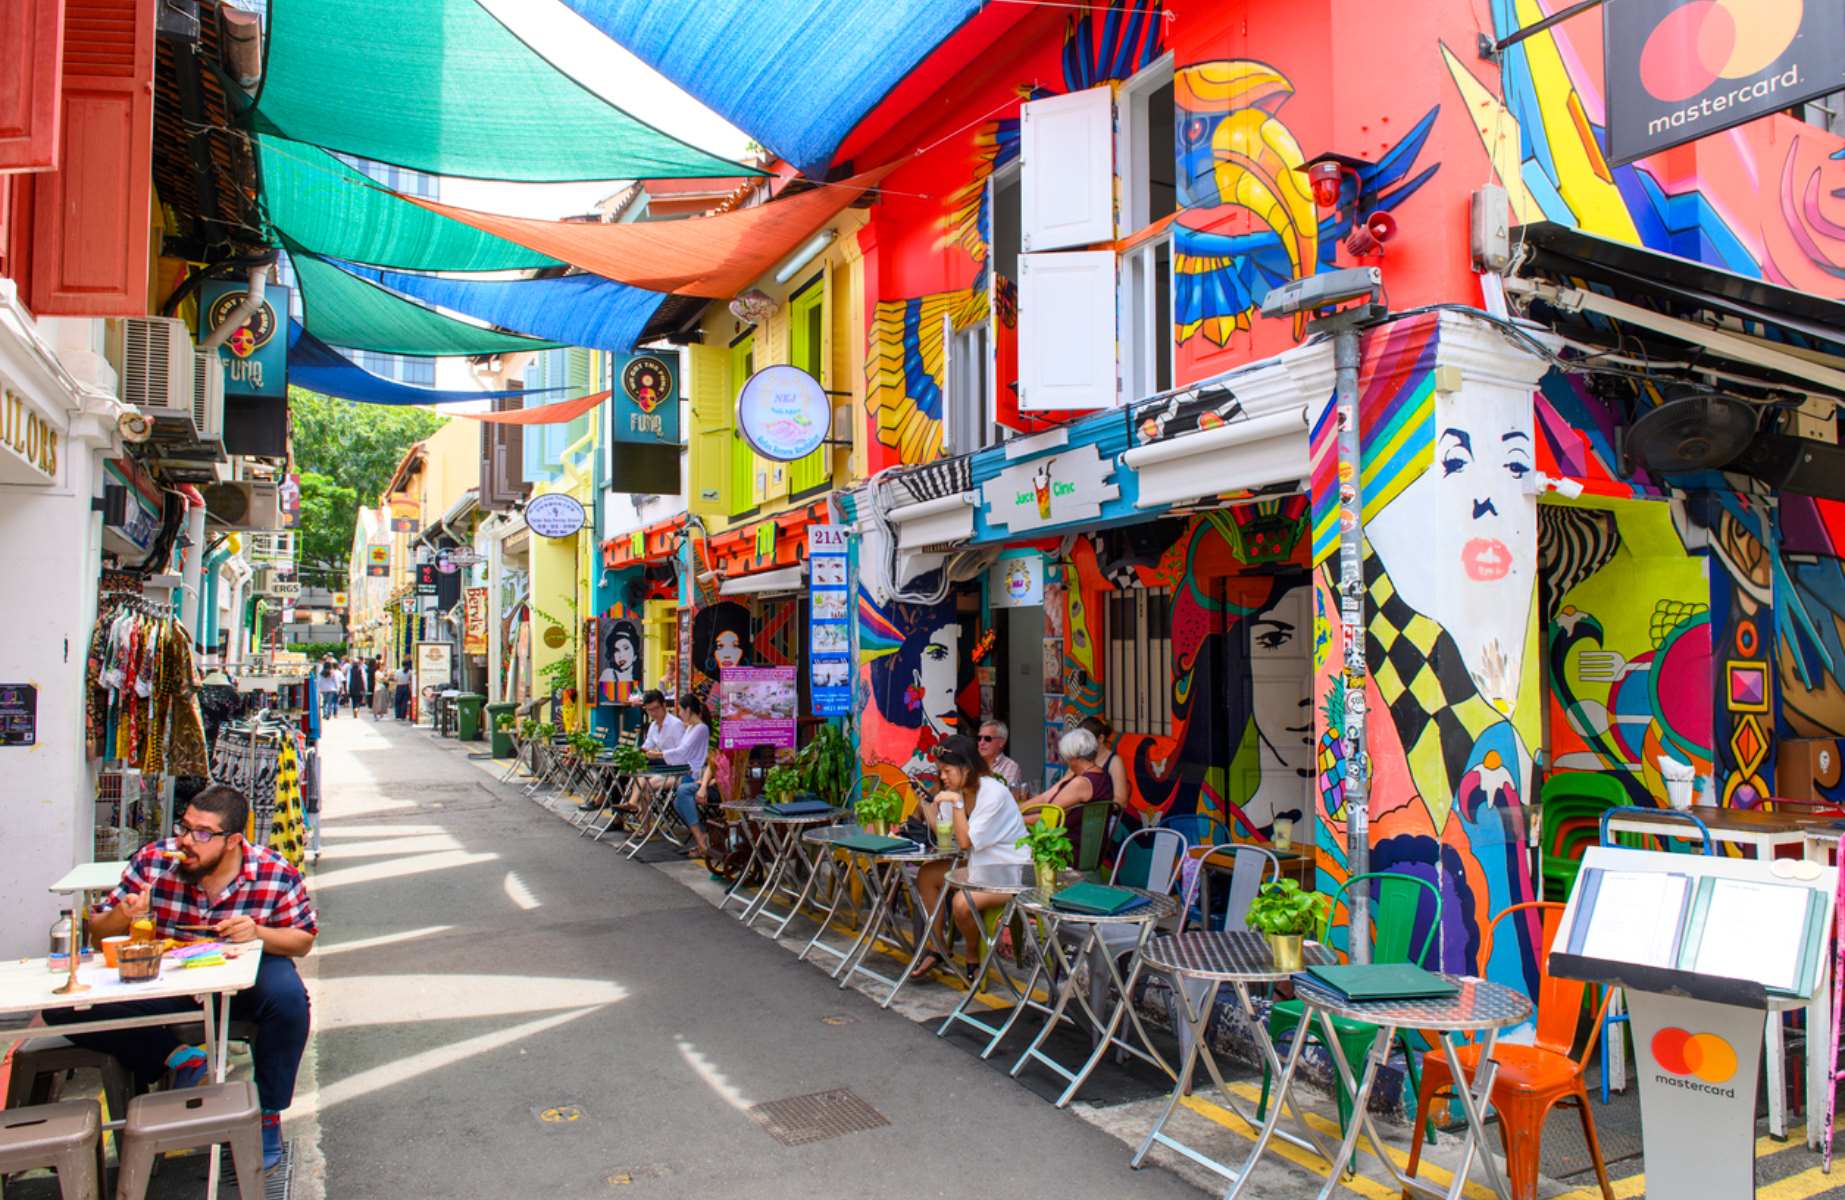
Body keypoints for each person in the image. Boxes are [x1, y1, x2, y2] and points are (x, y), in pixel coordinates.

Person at [48, 784, 316, 1173]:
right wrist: (125, 913)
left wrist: (258, 932)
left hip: (240, 977)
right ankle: (180, 1058)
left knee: (288, 1001)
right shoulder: (154, 862)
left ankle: (267, 1114)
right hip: (168, 977)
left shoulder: (273, 872)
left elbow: (302, 939)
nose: (187, 841)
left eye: (203, 834)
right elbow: (99, 934)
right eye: (185, 828)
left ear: (233, 841)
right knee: (64, 1007)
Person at [909, 734, 1029, 980]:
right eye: (940, 771)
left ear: (966, 767)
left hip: (1012, 870)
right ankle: (937, 946)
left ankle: (973, 957)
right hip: (980, 865)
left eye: (947, 771)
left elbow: (964, 842)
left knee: (962, 903)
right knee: (926, 876)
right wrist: (927, 805)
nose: (942, 777)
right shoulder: (956, 791)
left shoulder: (992, 793)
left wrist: (956, 804)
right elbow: (945, 833)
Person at [1028, 726, 1114, 821]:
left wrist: (1017, 819)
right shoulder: (1100, 774)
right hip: (1092, 835)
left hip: (1067, 835)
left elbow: (1049, 816)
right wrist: (1016, 810)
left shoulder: (1081, 782)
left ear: (1072, 758)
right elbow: (1046, 797)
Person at [665, 694, 714, 859]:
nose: (678, 713)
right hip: (690, 772)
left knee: (683, 792)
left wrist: (660, 754)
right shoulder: (690, 727)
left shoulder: (701, 728)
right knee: (678, 803)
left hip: (695, 775)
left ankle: (700, 840)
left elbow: (684, 751)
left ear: (687, 709)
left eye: (679, 709)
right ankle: (701, 836)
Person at [978, 719, 1022, 789]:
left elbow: (1004, 796)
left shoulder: (1011, 767)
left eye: (987, 738)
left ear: (1002, 742)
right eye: (979, 738)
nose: (981, 743)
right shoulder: (972, 763)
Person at [392, 656, 413, 721]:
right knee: (404, 702)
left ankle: (398, 715)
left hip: (399, 687)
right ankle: (403, 716)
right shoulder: (409, 672)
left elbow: (395, 679)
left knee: (398, 702)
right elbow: (410, 679)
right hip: (406, 687)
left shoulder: (398, 671)